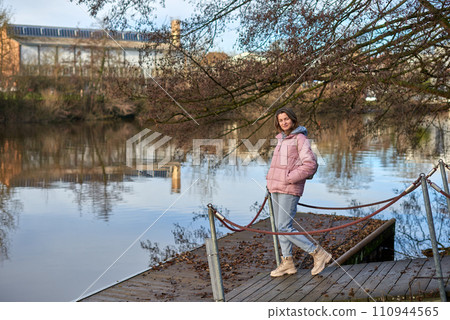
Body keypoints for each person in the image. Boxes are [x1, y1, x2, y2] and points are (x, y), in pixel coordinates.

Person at [266, 107, 331, 277]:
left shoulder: (300, 138)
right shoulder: (281, 139)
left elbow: (310, 165)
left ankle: (318, 253)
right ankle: (287, 263)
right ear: (278, 123)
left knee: (284, 227)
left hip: (289, 187)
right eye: (281, 120)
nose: (284, 122)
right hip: (276, 187)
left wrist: (289, 178)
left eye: (286, 119)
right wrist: (271, 181)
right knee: (279, 227)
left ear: (293, 120)